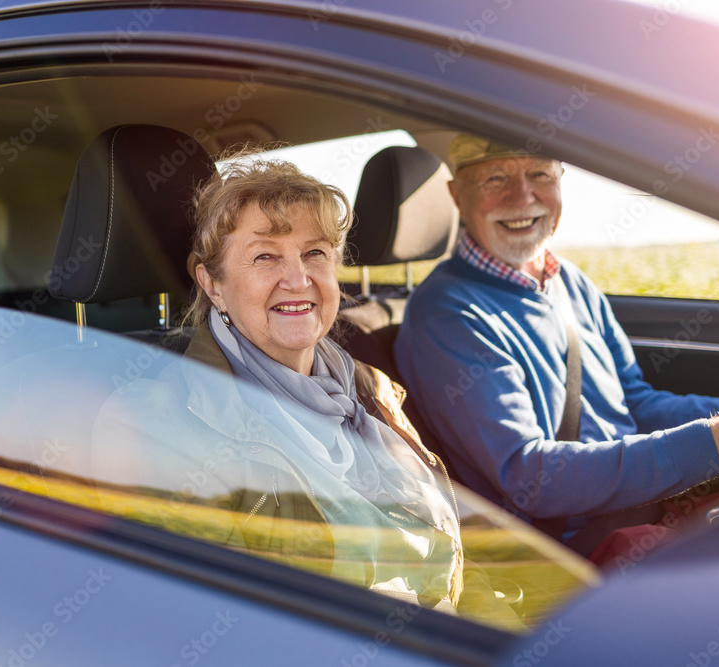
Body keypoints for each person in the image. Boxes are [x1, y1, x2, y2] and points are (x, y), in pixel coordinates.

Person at [90, 158, 472, 613]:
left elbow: (452, 567)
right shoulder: (153, 422)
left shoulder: (372, 391)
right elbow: (199, 621)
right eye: (265, 256)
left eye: (315, 254)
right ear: (213, 284)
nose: (298, 280)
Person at [394, 133, 719, 549]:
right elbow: (529, 476)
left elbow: (635, 404)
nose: (522, 196)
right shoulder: (447, 313)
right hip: (573, 551)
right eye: (494, 179)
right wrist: (718, 445)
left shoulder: (569, 281)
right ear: (456, 196)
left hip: (655, 510)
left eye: (539, 174)